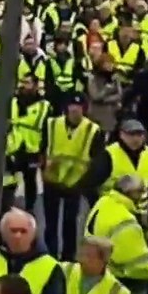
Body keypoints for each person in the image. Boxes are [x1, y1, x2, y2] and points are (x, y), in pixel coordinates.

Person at [41, 95, 103, 262]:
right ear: (66, 108)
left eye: (79, 106)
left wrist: (86, 183)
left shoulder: (92, 130)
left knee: (70, 223)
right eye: (72, 106)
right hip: (52, 180)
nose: (75, 109)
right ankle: (51, 255)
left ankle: (68, 257)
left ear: (84, 109)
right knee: (51, 223)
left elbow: (97, 158)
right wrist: (43, 169)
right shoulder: (52, 124)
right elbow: (43, 148)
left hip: (75, 183)